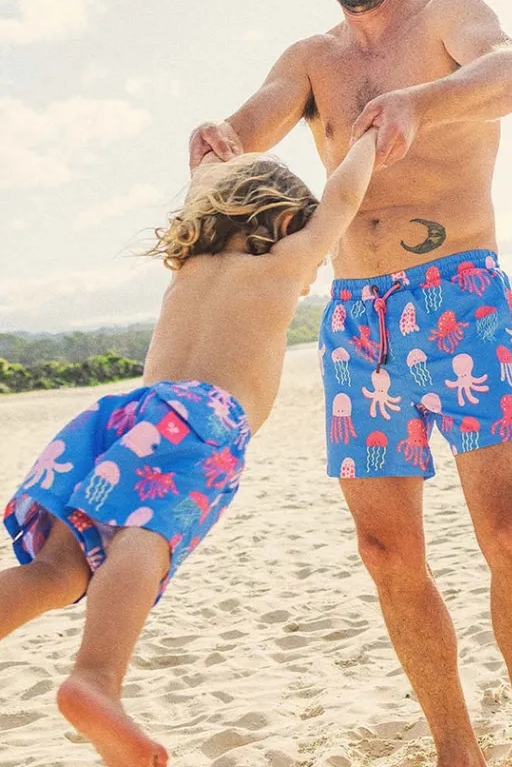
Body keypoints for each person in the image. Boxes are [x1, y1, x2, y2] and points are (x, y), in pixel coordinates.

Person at [188, 0, 512, 766]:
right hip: (359, 319)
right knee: (386, 552)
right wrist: (220, 137)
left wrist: (422, 102)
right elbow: (252, 122)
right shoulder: (312, 59)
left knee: (509, 532)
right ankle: (456, 751)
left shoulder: (448, 15)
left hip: (461, 295)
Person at [0, 129, 378, 767]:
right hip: (203, 422)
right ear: (286, 223)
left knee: (59, 570)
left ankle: (85, 669)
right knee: (146, 535)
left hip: (122, 417)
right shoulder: (283, 261)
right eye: (317, 261)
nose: (313, 276)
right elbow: (342, 199)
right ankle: (95, 678)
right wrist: (371, 134)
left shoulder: (189, 265)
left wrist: (205, 165)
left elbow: (205, 192)